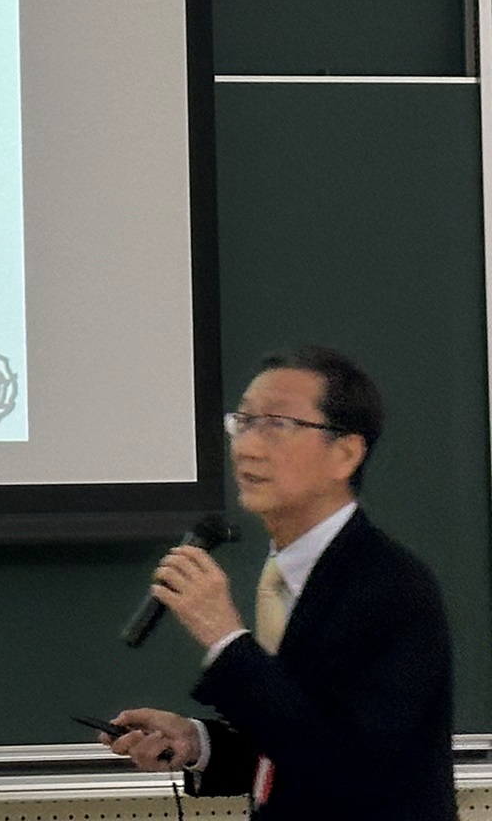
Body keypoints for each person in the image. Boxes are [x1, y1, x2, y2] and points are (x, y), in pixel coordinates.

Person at [104, 346, 455, 819]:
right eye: (244, 422)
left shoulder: (392, 587)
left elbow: (353, 770)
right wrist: (196, 742)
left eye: (277, 424)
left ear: (346, 454)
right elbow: (293, 742)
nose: (247, 447)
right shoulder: (288, 575)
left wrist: (225, 639)